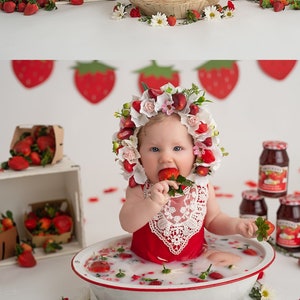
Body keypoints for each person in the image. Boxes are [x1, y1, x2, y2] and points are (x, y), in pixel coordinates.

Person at [113, 83, 258, 265]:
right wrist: (152, 203)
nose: (165, 157)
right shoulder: (140, 189)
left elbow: (213, 219)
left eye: (178, 148)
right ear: (138, 154)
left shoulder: (202, 187)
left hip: (194, 262)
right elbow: (128, 223)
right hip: (147, 264)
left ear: (196, 152)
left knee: (230, 264)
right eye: (154, 149)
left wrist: (236, 225)